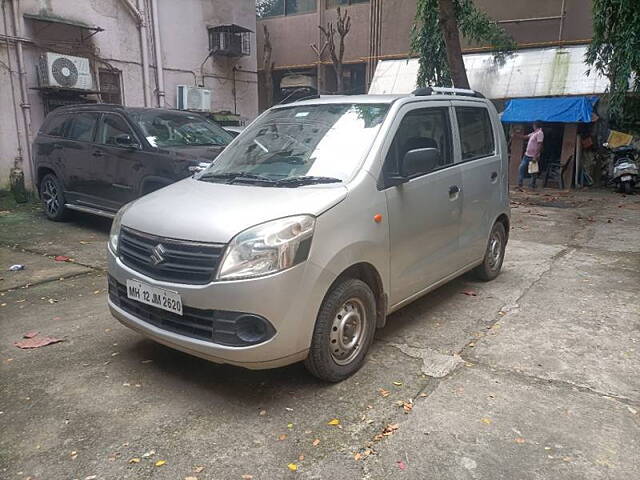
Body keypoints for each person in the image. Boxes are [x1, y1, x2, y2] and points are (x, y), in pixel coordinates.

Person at [515, 121, 544, 190]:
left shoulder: (540, 133)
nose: (532, 126)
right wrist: (516, 135)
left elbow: (540, 145)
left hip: (533, 156)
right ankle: (520, 184)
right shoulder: (534, 133)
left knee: (533, 171)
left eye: (533, 125)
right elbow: (525, 137)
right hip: (527, 155)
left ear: (535, 125)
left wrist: (535, 156)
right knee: (521, 168)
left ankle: (532, 184)